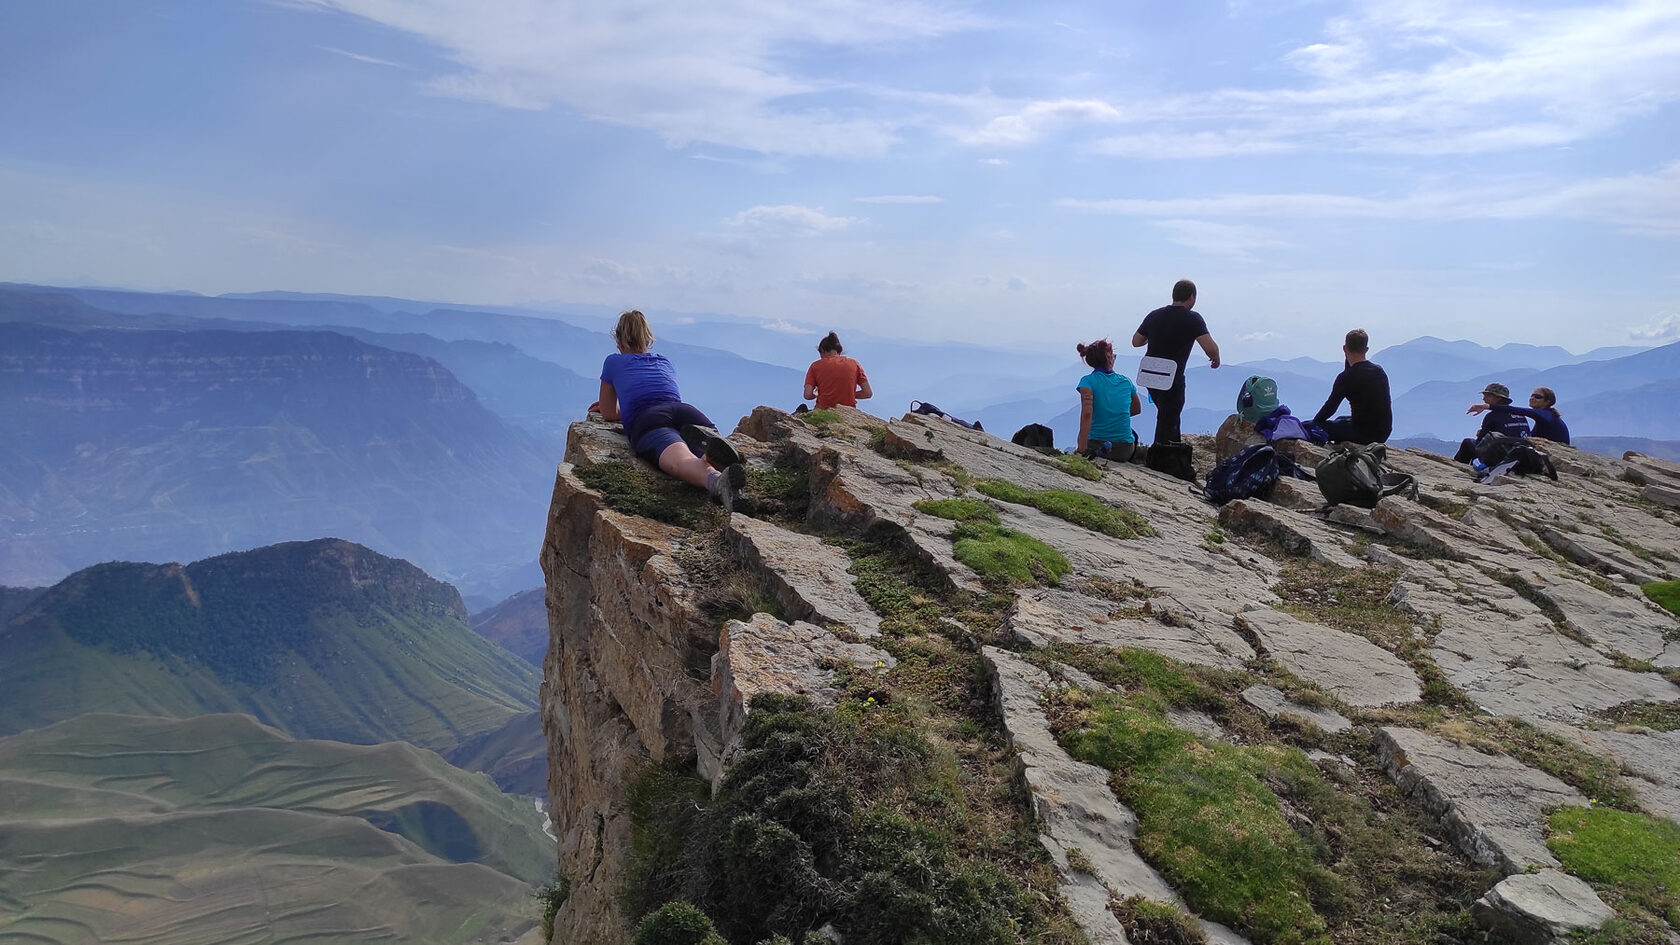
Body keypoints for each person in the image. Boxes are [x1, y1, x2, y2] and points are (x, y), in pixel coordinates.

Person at [596, 309, 746, 509]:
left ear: (619, 342)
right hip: (684, 411)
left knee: (680, 459)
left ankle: (716, 481)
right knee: (706, 444)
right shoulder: (663, 361)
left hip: (650, 419)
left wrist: (622, 411)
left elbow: (608, 414)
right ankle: (712, 459)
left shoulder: (613, 361)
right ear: (648, 340)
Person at [1132, 279, 1220, 445]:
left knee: (1168, 415)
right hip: (1171, 377)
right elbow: (1210, 348)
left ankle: (1172, 451)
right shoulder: (1193, 318)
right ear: (1192, 297)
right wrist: (1216, 358)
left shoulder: (1154, 315)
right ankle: (1162, 456)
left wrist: (1153, 336)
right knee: (1169, 416)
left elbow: (1136, 341)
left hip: (1149, 376)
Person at [1313, 328, 1393, 444]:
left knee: (1311, 425)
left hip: (1362, 434)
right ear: (1366, 349)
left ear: (1344, 348)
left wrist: (1316, 423)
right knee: (1340, 420)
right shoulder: (1379, 371)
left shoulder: (1346, 377)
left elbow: (1330, 408)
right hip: (1383, 432)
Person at [1074, 338, 1144, 462]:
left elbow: (1087, 414)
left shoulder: (1087, 382)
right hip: (1124, 450)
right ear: (1109, 358)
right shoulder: (1126, 382)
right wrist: (1115, 415)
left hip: (1094, 444)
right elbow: (1137, 409)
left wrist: (1082, 449)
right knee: (1133, 435)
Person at [1453, 382, 1531, 463]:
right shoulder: (1520, 415)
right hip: (1519, 455)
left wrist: (1481, 435)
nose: (1484, 399)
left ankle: (1458, 467)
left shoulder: (1492, 416)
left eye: (1487, 395)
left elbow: (1480, 443)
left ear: (1498, 398)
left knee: (1467, 443)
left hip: (1500, 455)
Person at [1468, 385, 1570, 445]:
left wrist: (1487, 406)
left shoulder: (1544, 415)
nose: (1532, 398)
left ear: (1548, 401)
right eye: (1532, 395)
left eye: (1538, 397)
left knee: (1468, 443)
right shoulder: (1548, 416)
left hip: (1556, 453)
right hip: (1553, 449)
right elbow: (1531, 437)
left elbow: (1518, 410)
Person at [803, 331, 872, 409]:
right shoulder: (854, 364)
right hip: (848, 411)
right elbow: (867, 393)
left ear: (822, 351)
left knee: (802, 409)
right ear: (839, 351)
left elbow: (807, 395)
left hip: (823, 410)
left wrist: (816, 394)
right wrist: (849, 394)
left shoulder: (815, 366)